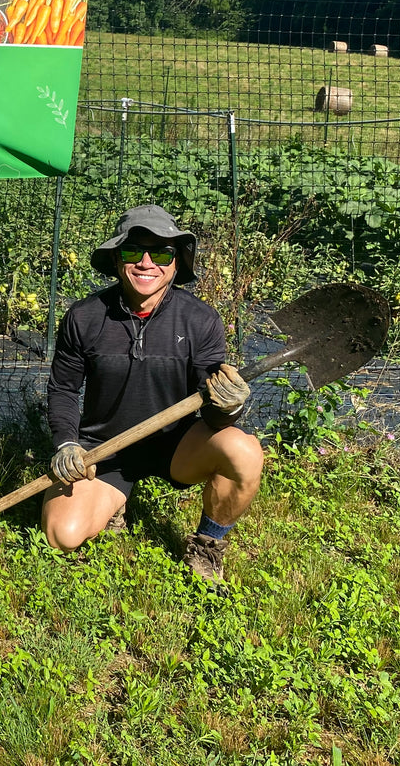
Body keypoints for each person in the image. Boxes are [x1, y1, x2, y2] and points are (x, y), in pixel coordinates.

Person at [42, 204, 260, 581]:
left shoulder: (200, 320)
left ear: (177, 263)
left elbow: (211, 409)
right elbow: (63, 388)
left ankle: (207, 549)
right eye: (133, 252)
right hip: (105, 450)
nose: (146, 263)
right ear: (116, 259)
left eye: (160, 253)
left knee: (244, 452)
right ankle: (114, 502)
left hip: (176, 446)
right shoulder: (85, 316)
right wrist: (66, 443)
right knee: (62, 536)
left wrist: (229, 407)